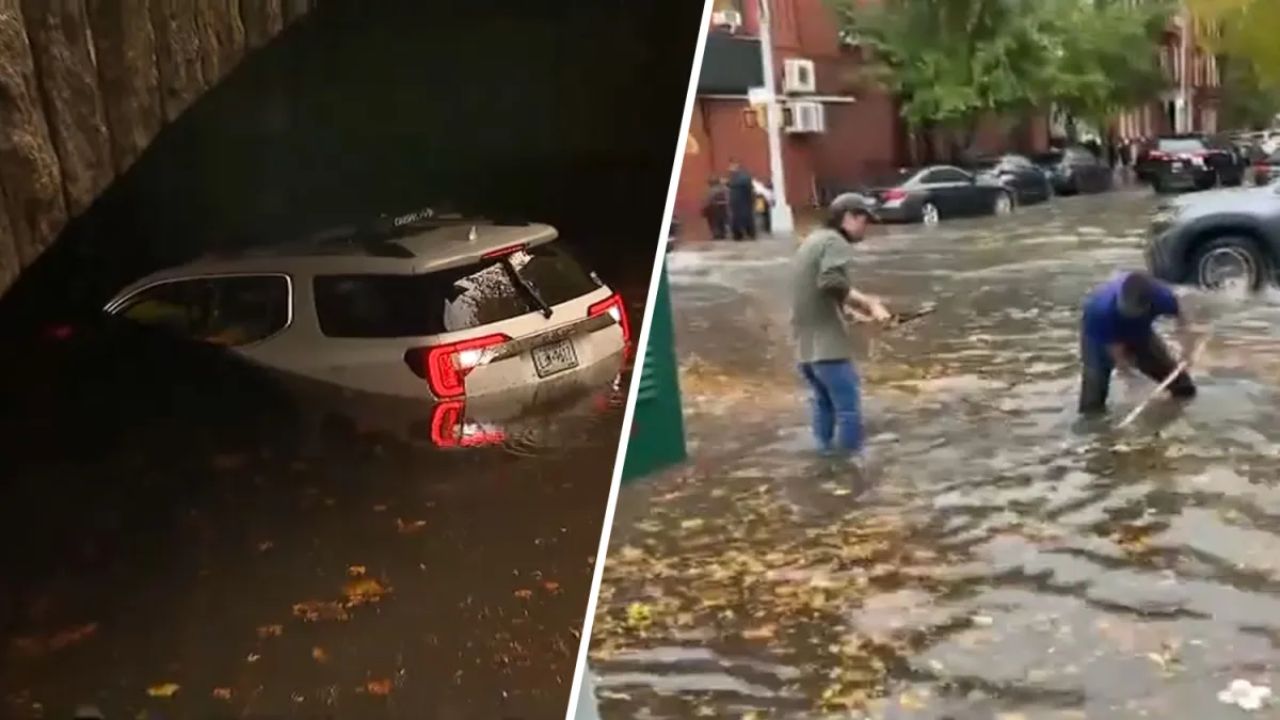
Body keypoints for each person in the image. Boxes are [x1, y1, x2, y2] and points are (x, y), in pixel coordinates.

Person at [790, 192, 892, 460]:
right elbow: (831, 281)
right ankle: (850, 467)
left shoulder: (813, 240)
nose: (865, 227)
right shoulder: (835, 242)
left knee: (824, 405)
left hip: (805, 351)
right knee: (848, 411)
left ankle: (825, 460)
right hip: (829, 350)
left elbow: (818, 289)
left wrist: (850, 313)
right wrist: (870, 304)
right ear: (848, 217)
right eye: (863, 220)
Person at [1078, 270, 1198, 416]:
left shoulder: (1162, 296)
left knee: (1183, 388)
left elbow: (1183, 321)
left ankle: (1169, 415)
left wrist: (1187, 350)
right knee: (1092, 404)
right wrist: (1129, 375)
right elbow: (1117, 353)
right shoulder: (1100, 310)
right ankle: (1096, 426)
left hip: (1141, 334)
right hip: (1098, 341)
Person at [726, 159, 757, 240]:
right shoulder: (734, 177)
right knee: (740, 219)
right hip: (738, 202)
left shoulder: (741, 177)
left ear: (736, 166)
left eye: (731, 166)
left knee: (744, 218)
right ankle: (741, 235)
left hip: (742, 202)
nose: (729, 169)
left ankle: (746, 234)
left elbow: (748, 188)